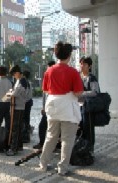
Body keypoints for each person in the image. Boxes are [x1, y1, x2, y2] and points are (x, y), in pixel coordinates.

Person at [39, 41, 83, 175]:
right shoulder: (73, 72)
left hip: (52, 106)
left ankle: (43, 164)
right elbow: (78, 92)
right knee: (67, 139)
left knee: (50, 136)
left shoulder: (49, 70)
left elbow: (46, 89)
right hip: (68, 108)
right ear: (69, 55)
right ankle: (62, 168)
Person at [78, 57, 100, 152]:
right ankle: (82, 147)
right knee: (81, 127)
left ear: (89, 66)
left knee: (89, 128)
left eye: (84, 64)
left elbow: (95, 92)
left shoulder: (91, 78)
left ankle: (90, 149)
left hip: (88, 108)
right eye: (81, 64)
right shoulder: (79, 77)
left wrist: (82, 93)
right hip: (79, 106)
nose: (82, 66)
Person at [33, 60, 56, 149]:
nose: (48, 70)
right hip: (47, 109)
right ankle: (42, 143)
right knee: (42, 126)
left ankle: (52, 145)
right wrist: (43, 107)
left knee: (53, 128)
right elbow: (44, 95)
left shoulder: (55, 80)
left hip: (54, 109)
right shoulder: (47, 78)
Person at [6, 65, 27, 156]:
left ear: (18, 73)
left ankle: (13, 148)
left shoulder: (22, 81)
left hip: (18, 107)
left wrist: (10, 93)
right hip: (17, 106)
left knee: (15, 127)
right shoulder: (19, 80)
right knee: (17, 127)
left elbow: (14, 93)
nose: (14, 76)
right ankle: (18, 145)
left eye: (14, 74)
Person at [22, 70, 33, 143]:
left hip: (25, 103)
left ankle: (25, 135)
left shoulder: (24, 83)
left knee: (24, 118)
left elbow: (24, 95)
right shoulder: (29, 83)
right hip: (29, 102)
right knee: (27, 118)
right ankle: (26, 134)